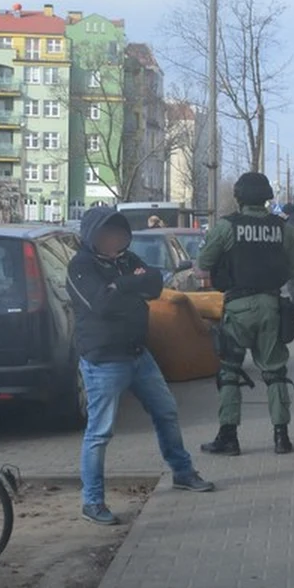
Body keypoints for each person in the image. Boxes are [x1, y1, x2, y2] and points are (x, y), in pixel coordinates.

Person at [66, 206, 214, 525]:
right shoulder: (80, 266)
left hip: (139, 355)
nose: (114, 239)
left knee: (166, 411)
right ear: (94, 237)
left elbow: (154, 285)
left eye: (119, 233)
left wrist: (120, 285)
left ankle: (182, 472)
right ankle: (92, 501)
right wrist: (125, 286)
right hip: (103, 360)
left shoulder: (127, 260)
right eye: (108, 234)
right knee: (100, 432)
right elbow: (101, 304)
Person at [197, 173, 294, 457]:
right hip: (271, 304)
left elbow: (203, 264)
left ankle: (228, 437)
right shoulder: (283, 228)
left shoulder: (227, 226)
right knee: (275, 371)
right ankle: (282, 437)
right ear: (267, 197)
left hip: (238, 307)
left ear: (239, 197)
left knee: (230, 371)